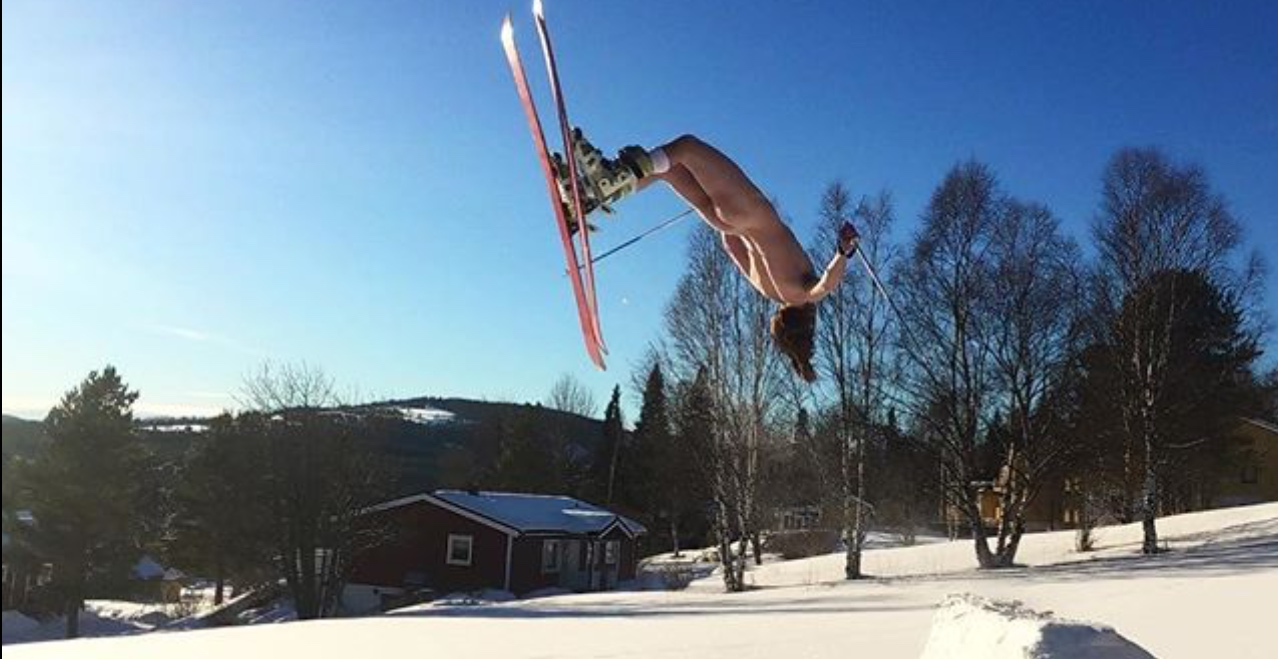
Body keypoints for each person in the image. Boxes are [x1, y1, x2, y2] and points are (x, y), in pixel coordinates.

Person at [558, 131, 860, 382]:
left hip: (749, 212)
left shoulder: (803, 293)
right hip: (728, 222)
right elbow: (731, 246)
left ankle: (611, 179)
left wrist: (843, 251)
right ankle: (592, 196)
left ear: (807, 321)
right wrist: (725, 212)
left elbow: (827, 285)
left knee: (687, 148)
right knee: (668, 169)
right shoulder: (767, 289)